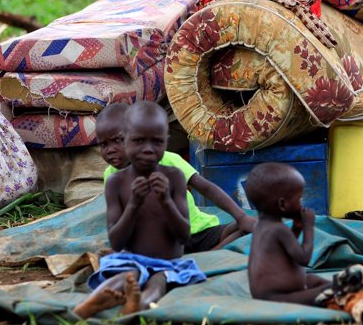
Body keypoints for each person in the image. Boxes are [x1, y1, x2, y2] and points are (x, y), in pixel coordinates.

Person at [74, 101, 205, 319]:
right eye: (138, 141)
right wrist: (133, 204)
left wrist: (166, 202)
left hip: (168, 263)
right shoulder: (116, 182)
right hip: (133, 259)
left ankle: (136, 305)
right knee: (126, 274)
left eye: (157, 142)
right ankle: (92, 303)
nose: (147, 149)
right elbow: (117, 241)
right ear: (125, 139)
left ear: (166, 142)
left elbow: (184, 235)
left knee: (157, 285)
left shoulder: (174, 177)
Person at [95, 103, 255, 252]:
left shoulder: (168, 160)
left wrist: (241, 217)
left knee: (246, 228)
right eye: (103, 145)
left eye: (118, 141)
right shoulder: (111, 176)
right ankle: (211, 255)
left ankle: (213, 252)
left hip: (197, 230)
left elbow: (207, 188)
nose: (110, 150)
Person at [246, 162, 331, 305]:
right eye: (299, 199)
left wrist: (297, 228)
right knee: (333, 288)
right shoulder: (279, 229)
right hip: (279, 298)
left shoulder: (261, 226)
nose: (302, 204)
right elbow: (303, 258)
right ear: (282, 205)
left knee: (312, 279)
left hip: (269, 294)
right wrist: (308, 226)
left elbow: (285, 250)